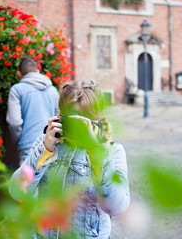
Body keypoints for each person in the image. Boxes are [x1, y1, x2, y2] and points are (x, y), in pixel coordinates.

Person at [9, 81, 130, 238]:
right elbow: (16, 192)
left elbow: (117, 207)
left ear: (98, 120)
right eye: (73, 120)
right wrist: (45, 150)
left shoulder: (113, 151)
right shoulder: (45, 144)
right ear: (60, 117)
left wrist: (96, 152)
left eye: (84, 121)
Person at [6, 58, 59, 162]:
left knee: (29, 178)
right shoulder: (53, 90)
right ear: (37, 71)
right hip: (51, 145)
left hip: (28, 146)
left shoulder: (17, 90)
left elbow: (14, 122)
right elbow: (58, 117)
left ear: (18, 73)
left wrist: (19, 140)